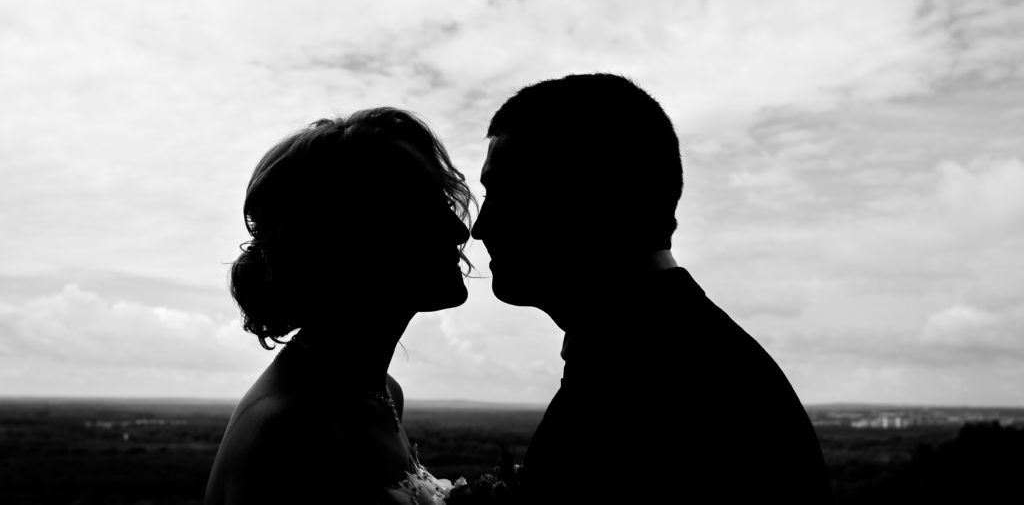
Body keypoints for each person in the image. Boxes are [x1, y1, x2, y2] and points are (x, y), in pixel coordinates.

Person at [471, 74, 832, 502]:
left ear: (576, 196)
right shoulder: (679, 348)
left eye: (503, 193)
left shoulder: (659, 387)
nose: (480, 227)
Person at [205, 108, 473, 504]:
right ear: (351, 238)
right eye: (423, 211)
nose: (459, 229)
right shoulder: (295, 430)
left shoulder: (380, 392)